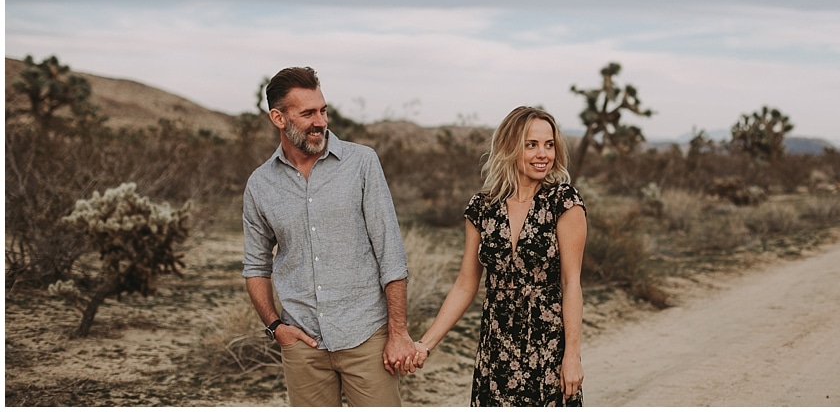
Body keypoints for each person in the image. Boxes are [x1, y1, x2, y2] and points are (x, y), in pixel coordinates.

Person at [242, 66, 417, 405]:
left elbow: (390, 254)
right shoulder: (261, 184)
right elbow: (255, 266)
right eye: (307, 113)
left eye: (323, 110)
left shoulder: (362, 163)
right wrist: (276, 327)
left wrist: (398, 333)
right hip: (302, 344)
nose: (320, 121)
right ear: (278, 118)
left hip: (367, 337)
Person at [413, 106, 588, 406]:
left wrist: (572, 356)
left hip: (547, 348)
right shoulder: (483, 207)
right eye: (531, 145)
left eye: (549, 145)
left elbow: (572, 283)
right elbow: (465, 285)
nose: (543, 154)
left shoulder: (564, 202)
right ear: (510, 147)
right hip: (496, 350)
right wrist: (425, 345)